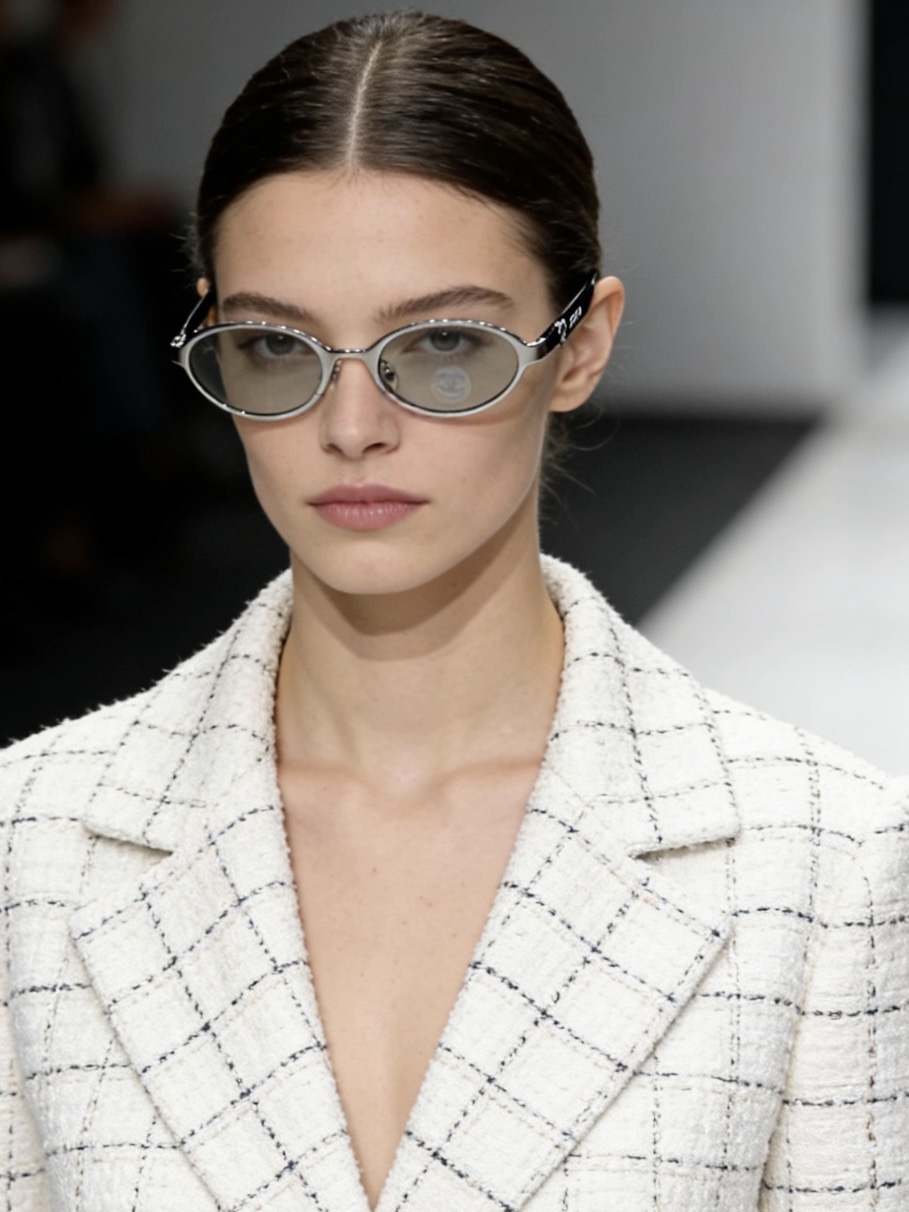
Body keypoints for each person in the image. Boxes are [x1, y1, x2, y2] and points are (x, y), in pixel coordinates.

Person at [0, 12, 906, 1211]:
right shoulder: (33, 842)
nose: (352, 427)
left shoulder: (820, 864)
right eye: (276, 347)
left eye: (442, 346)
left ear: (580, 348)